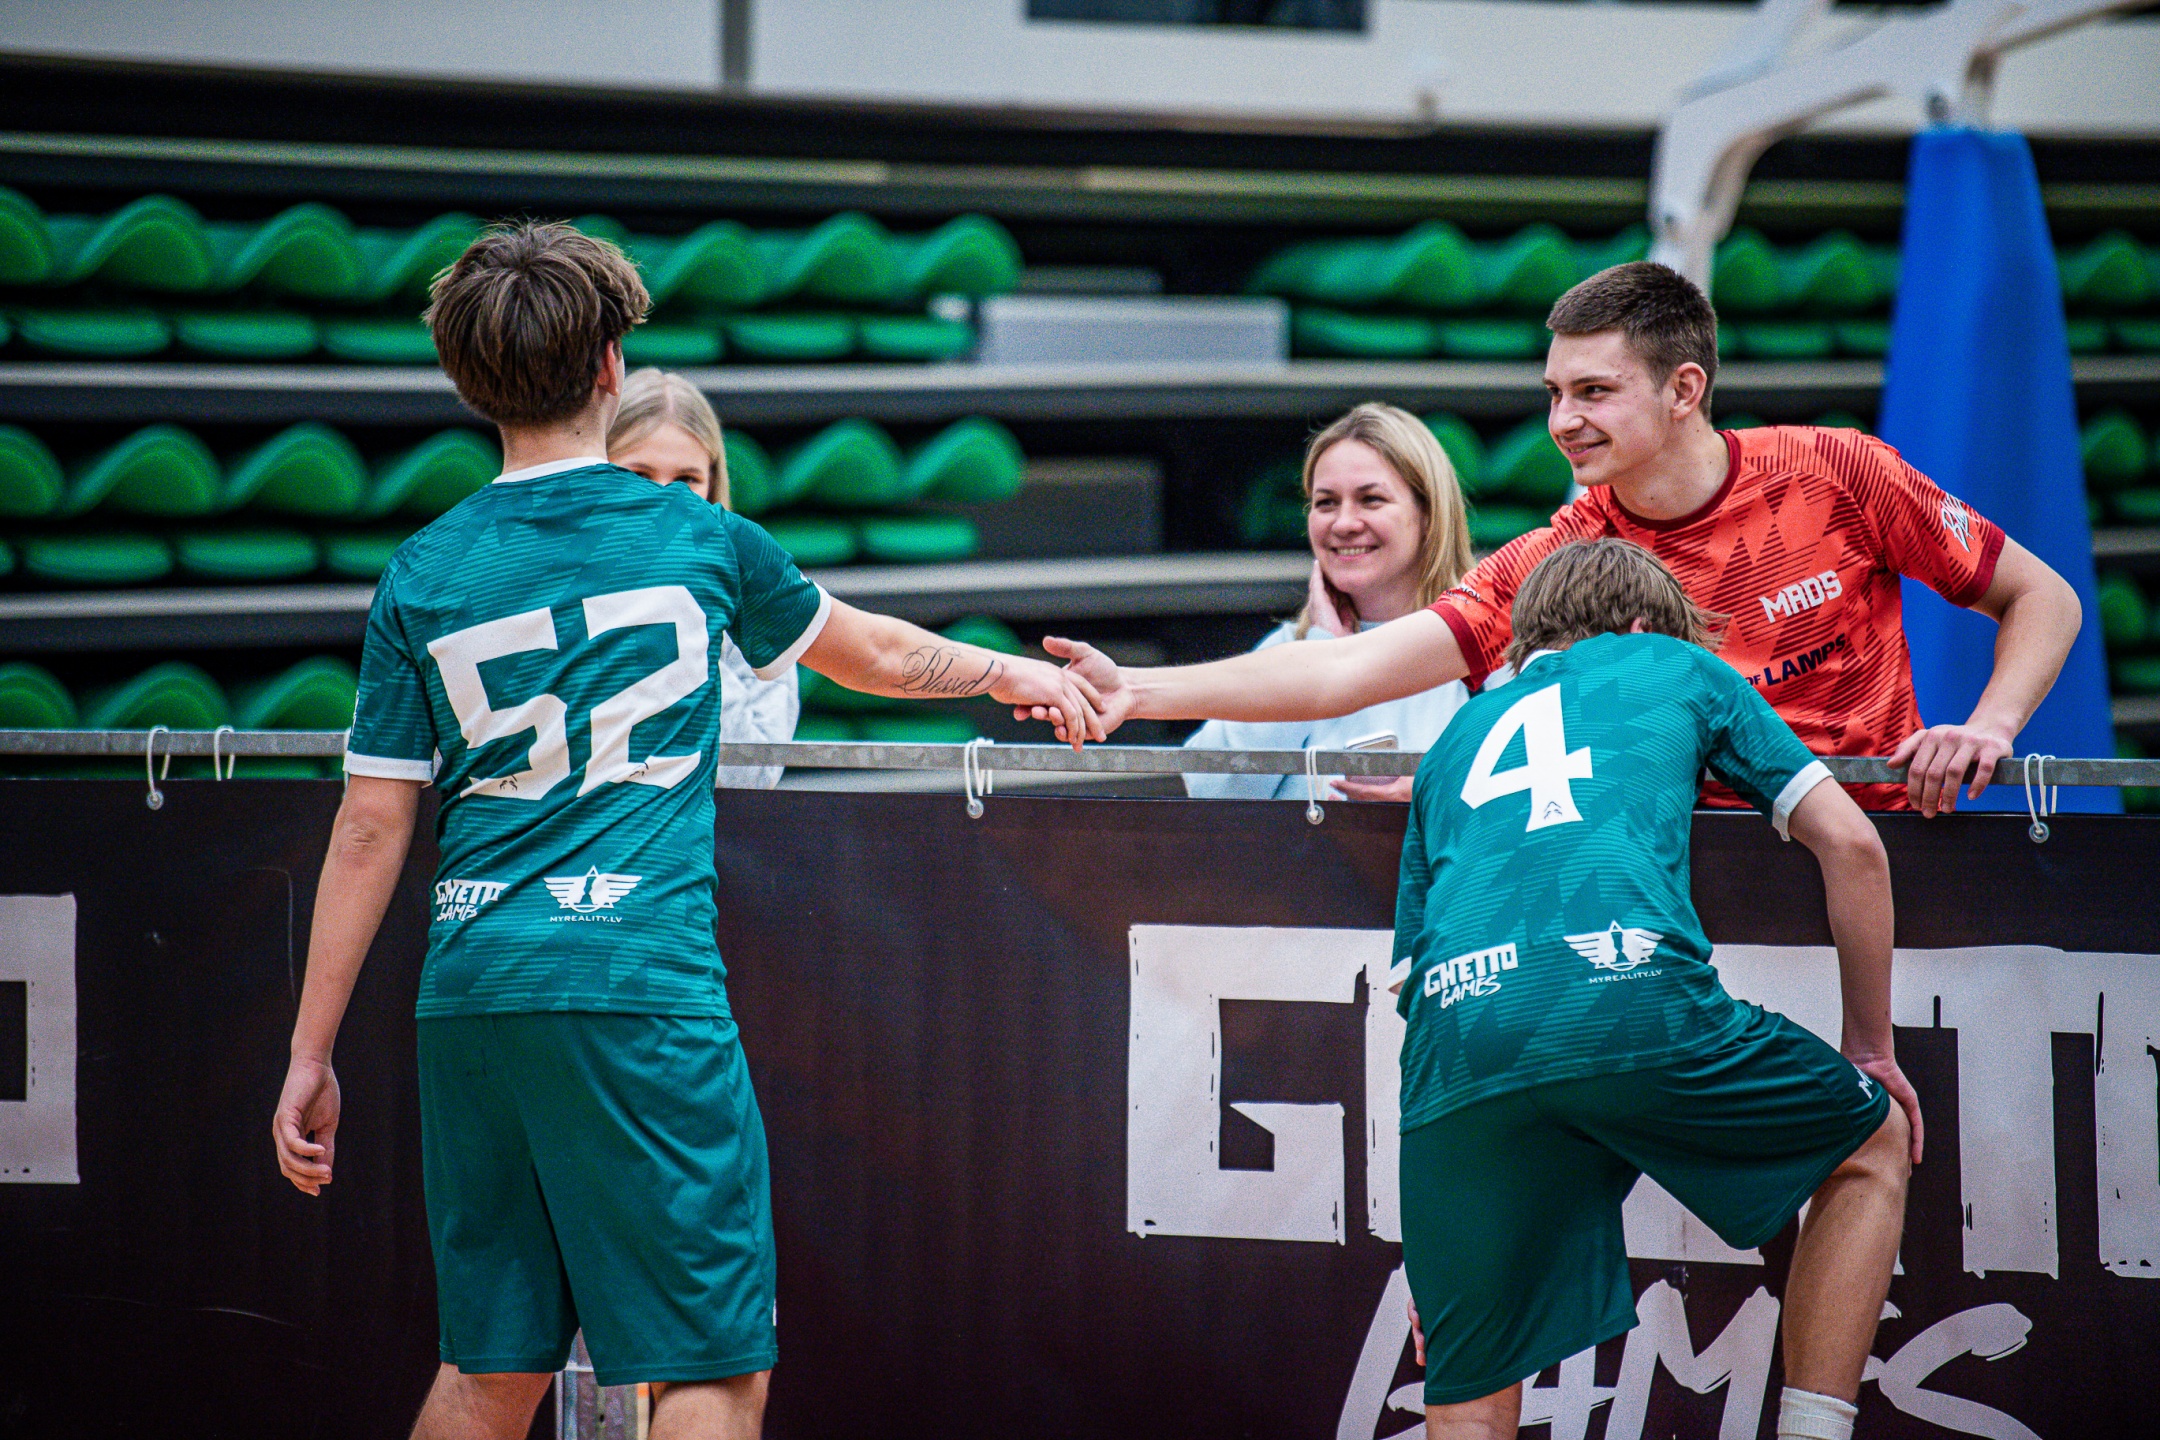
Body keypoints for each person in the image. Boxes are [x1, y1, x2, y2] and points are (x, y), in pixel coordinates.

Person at [268, 222, 1099, 1440]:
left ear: (464, 380)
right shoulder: (696, 535)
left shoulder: (420, 571)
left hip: (472, 993)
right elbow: (870, 654)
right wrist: (1010, 672)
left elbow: (368, 827)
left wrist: (309, 1053)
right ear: (611, 365)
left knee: (490, 1370)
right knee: (709, 1371)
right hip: (637, 986)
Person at [1031, 261, 2083, 816]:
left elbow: (2043, 596)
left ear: (1684, 389)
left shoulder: (1838, 471)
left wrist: (1989, 727)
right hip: (1689, 884)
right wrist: (1140, 691)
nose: (1562, 421)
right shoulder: (1569, 558)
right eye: (1552, 392)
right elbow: (1344, 670)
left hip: (1881, 850)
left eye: (1593, 391)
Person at [1390, 537, 1918, 1440]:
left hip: (1454, 1049)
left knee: (1473, 1382)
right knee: (1873, 1141)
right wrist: (1869, 1046)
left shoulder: (1450, 741)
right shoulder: (1677, 664)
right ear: (1643, 625)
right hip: (1623, 994)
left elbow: (1411, 981)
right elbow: (1853, 844)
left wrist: (1443, 1239)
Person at [1182, 403, 1470, 802]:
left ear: (1429, 515)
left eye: (1371, 499)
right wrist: (1317, 656)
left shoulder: (1490, 654)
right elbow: (1207, 793)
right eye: (1326, 503)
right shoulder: (1291, 647)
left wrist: (1427, 799)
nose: (1344, 523)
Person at [608, 367, 794, 790]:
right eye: (639, 475)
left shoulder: (754, 596)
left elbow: (752, 775)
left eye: (687, 480)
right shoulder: (555, 584)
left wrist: (690, 628)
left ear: (711, 486)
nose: (667, 499)